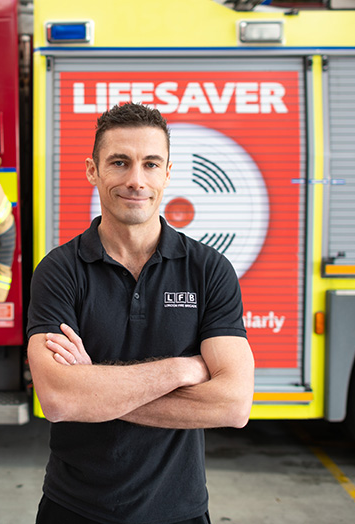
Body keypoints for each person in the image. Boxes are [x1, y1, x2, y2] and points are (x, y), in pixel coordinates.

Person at [26, 102, 255, 524]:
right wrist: (182, 370)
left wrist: (92, 391)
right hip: (74, 509)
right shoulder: (59, 271)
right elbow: (57, 399)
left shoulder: (208, 270)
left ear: (167, 173)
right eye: (119, 162)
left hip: (179, 512)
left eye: (151, 164)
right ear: (93, 171)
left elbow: (234, 404)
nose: (136, 180)